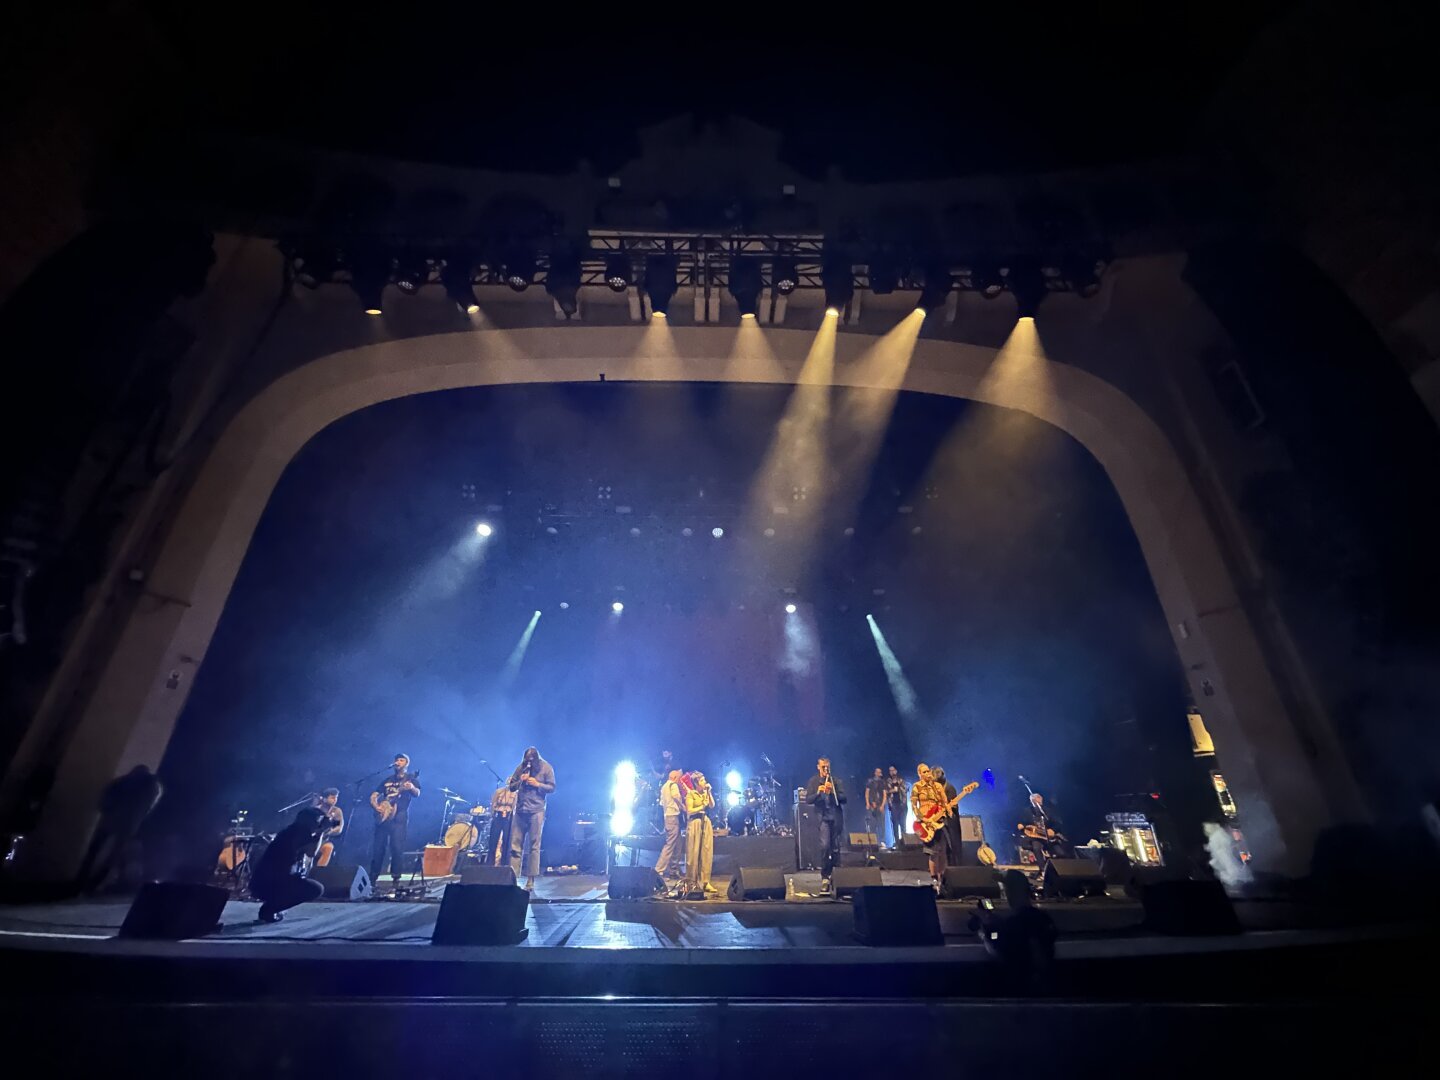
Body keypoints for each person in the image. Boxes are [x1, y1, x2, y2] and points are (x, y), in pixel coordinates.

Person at [76, 764, 164, 894]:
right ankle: (93, 884)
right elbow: (149, 806)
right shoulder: (152, 785)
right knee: (113, 855)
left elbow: (105, 798)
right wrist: (139, 817)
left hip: (111, 820)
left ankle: (81, 881)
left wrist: (107, 810)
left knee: (94, 851)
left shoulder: (123, 781)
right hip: (129, 823)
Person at [252, 807, 328, 923]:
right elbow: (311, 852)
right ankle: (269, 909)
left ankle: (272, 906)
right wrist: (321, 832)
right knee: (316, 889)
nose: (318, 824)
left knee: (307, 885)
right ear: (309, 821)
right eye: (318, 821)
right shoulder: (300, 832)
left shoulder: (290, 831)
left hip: (262, 881)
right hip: (272, 882)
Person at [369, 754, 421, 889]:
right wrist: (376, 806)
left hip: (399, 817)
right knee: (378, 848)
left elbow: (417, 793)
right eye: (397, 760)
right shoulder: (387, 780)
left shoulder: (411, 778)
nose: (398, 762)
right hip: (383, 817)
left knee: (397, 847)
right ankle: (372, 879)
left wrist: (411, 787)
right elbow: (374, 795)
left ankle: (396, 879)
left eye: (401, 760)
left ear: (407, 763)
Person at [508, 746, 556, 890]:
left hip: (536, 810)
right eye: (526, 760)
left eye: (531, 761)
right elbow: (511, 787)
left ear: (536, 759)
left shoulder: (546, 768)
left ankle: (531, 880)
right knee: (515, 846)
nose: (528, 763)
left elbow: (552, 788)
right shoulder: (521, 768)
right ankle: (513, 879)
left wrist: (538, 784)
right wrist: (520, 781)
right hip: (520, 810)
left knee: (534, 846)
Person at [804, 757, 846, 893]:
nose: (825, 769)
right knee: (825, 846)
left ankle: (836, 875)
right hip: (823, 818)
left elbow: (844, 798)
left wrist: (833, 792)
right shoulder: (813, 781)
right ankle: (825, 876)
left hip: (835, 817)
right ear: (818, 767)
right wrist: (818, 792)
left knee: (835, 848)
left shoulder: (836, 781)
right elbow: (808, 799)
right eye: (823, 767)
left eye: (827, 767)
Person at [911, 763, 950, 888]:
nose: (927, 773)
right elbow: (914, 806)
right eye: (924, 772)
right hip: (925, 823)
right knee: (933, 852)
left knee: (943, 850)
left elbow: (944, 802)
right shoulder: (916, 787)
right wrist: (923, 819)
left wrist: (946, 810)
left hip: (939, 821)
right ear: (919, 774)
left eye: (928, 771)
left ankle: (943, 877)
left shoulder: (937, 786)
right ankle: (934, 878)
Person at [681, 771, 716, 895]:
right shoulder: (691, 794)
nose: (704, 782)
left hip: (705, 822)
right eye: (702, 780)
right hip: (694, 822)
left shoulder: (705, 793)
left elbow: (712, 805)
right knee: (693, 853)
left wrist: (709, 793)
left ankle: (705, 882)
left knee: (706, 852)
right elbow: (690, 811)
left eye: (704, 779)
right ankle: (691, 882)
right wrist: (702, 806)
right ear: (696, 783)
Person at [653, 769, 685, 879]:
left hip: (667, 816)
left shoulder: (664, 787)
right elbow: (676, 796)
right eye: (679, 778)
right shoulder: (673, 785)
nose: (680, 780)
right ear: (674, 777)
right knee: (670, 844)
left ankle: (673, 869)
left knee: (678, 843)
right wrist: (682, 806)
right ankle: (659, 869)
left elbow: (662, 803)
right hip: (673, 817)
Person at [934, 767, 966, 867]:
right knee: (941, 847)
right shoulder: (936, 788)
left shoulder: (949, 788)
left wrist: (946, 806)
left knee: (952, 845)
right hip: (940, 820)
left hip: (950, 821)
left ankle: (955, 866)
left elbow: (954, 806)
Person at [488, 782, 516, 866]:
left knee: (506, 840)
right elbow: (493, 803)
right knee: (493, 839)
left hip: (508, 816)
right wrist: (493, 814)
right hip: (498, 815)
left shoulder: (516, 794)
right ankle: (490, 862)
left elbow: (515, 807)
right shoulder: (499, 791)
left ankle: (504, 863)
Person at [314, 788, 344, 867]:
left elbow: (339, 828)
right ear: (324, 798)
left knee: (329, 847)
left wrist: (330, 831)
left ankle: (319, 871)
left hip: (323, 841)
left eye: (336, 797)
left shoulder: (336, 811)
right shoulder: (316, 809)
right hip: (310, 840)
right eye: (332, 797)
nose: (335, 800)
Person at [884, 765, 908, 848]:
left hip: (902, 804)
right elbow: (885, 791)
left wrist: (899, 788)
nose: (892, 772)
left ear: (896, 771)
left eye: (893, 770)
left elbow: (906, 789)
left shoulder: (901, 780)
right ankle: (897, 842)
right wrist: (893, 790)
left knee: (903, 824)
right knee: (895, 824)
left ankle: (904, 842)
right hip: (893, 805)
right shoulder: (888, 781)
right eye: (890, 771)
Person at [864, 768, 886, 847]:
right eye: (877, 772)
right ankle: (873, 841)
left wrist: (882, 805)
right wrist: (867, 803)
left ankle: (882, 841)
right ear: (875, 773)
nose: (879, 773)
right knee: (872, 824)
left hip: (880, 805)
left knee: (882, 824)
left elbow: (884, 794)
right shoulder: (870, 781)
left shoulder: (882, 782)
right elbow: (867, 793)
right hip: (872, 805)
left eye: (880, 772)